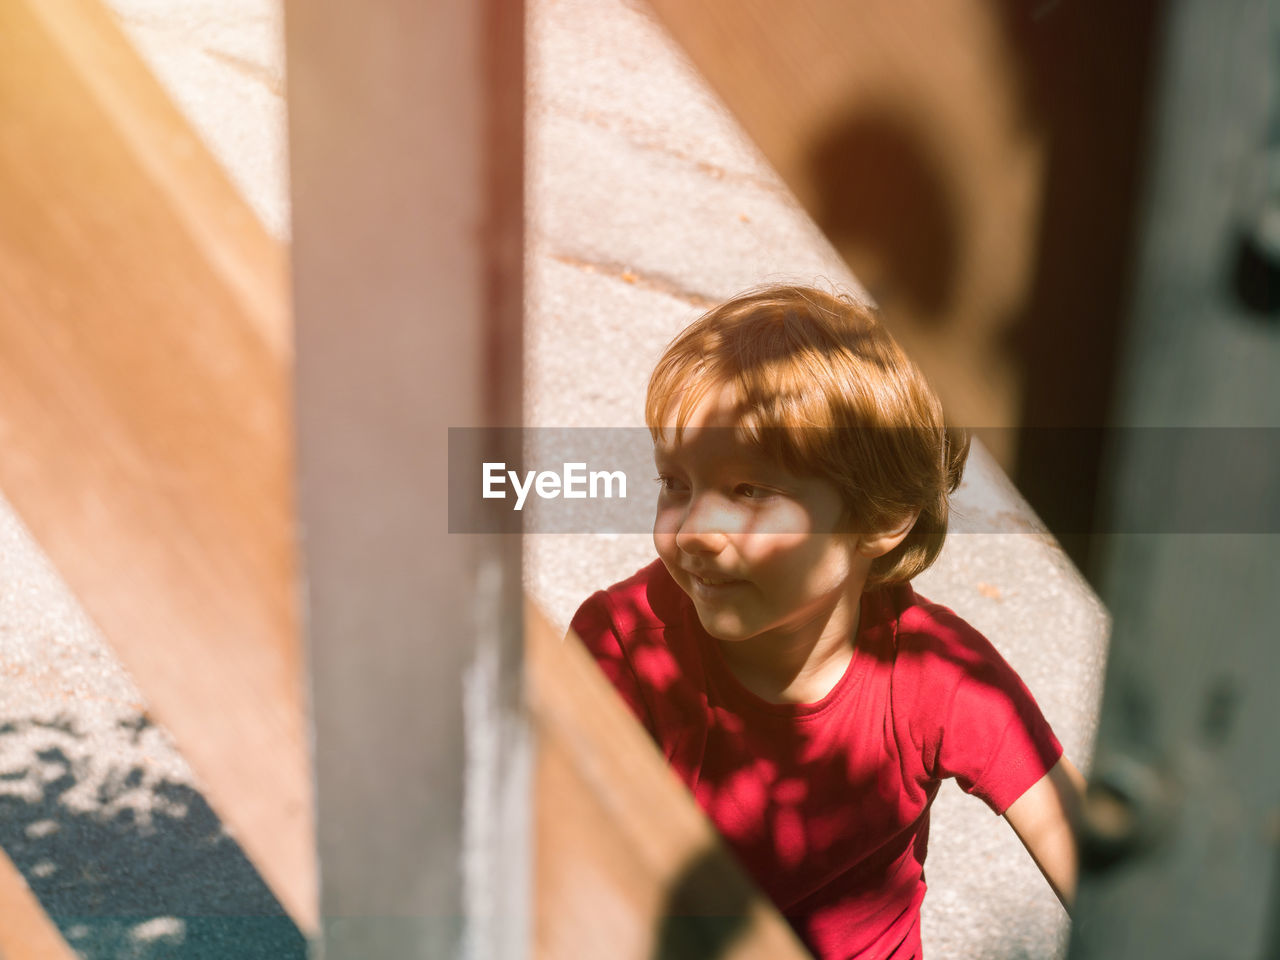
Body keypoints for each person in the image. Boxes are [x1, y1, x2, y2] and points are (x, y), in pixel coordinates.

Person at [567, 284, 1085, 959]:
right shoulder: (624, 645)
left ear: (879, 520)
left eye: (749, 491)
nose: (694, 530)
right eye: (676, 484)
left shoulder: (937, 673)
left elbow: (1091, 854)